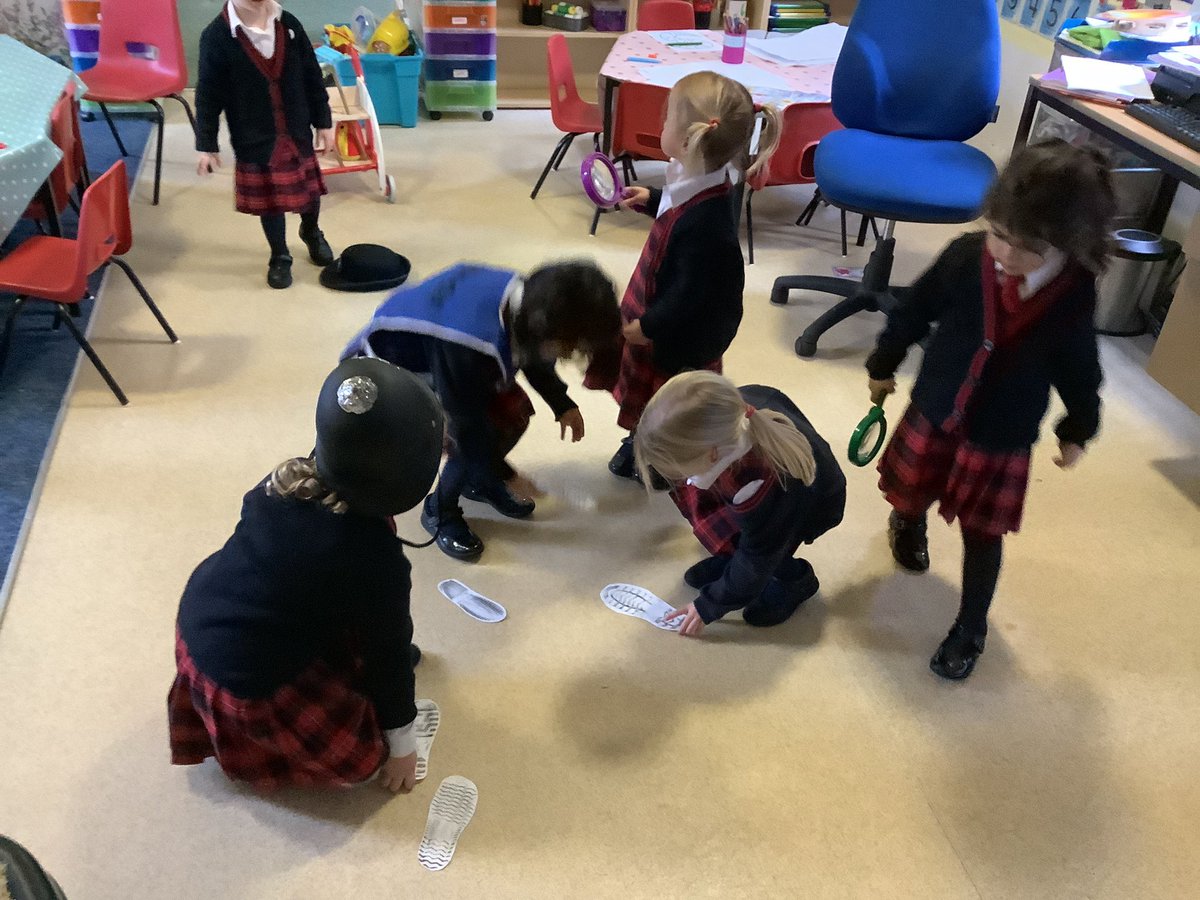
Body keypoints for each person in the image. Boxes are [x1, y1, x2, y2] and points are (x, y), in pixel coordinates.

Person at [866, 139, 1116, 680]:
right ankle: (907, 524)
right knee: (911, 485)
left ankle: (970, 626)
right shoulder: (965, 256)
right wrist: (883, 362)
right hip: (935, 409)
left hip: (1001, 435)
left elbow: (1080, 366)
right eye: (999, 234)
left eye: (1024, 246)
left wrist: (1078, 427)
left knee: (984, 534)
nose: (1003, 253)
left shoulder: (1072, 292)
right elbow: (913, 312)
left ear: (1066, 244)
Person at [168, 357, 445, 793]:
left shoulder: (280, 483)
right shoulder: (377, 563)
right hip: (247, 687)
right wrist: (403, 745)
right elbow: (388, 657)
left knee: (335, 613)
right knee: (363, 761)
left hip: (200, 622)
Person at [342, 259, 621, 561]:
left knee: (512, 415)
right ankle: (441, 510)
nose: (570, 353)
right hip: (395, 374)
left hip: (447, 360)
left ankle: (477, 480)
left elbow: (532, 355)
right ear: (546, 329)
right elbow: (467, 425)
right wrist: (507, 473)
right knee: (475, 440)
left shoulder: (530, 299)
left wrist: (561, 402)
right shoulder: (468, 341)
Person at [587, 71, 781, 483]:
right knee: (650, 400)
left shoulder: (708, 225)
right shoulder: (700, 177)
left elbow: (691, 294)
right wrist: (652, 199)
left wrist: (649, 326)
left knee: (671, 403)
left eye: (665, 120)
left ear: (690, 138)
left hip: (675, 335)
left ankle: (664, 458)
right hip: (661, 309)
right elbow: (677, 211)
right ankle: (643, 440)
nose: (660, 127)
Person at [633, 372, 846, 636]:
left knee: (766, 554)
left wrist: (709, 604)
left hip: (808, 506)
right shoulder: (726, 411)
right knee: (737, 534)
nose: (680, 478)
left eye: (679, 469)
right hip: (777, 497)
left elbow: (759, 555)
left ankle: (795, 580)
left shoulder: (757, 484)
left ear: (710, 454)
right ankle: (732, 561)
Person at [195, 0, 337, 290]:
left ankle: (311, 231)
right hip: (254, 136)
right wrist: (206, 144)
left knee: (309, 192)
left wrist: (324, 122)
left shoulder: (289, 24)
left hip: (296, 129)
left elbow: (312, 77)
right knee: (270, 202)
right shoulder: (217, 36)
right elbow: (208, 94)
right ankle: (280, 255)